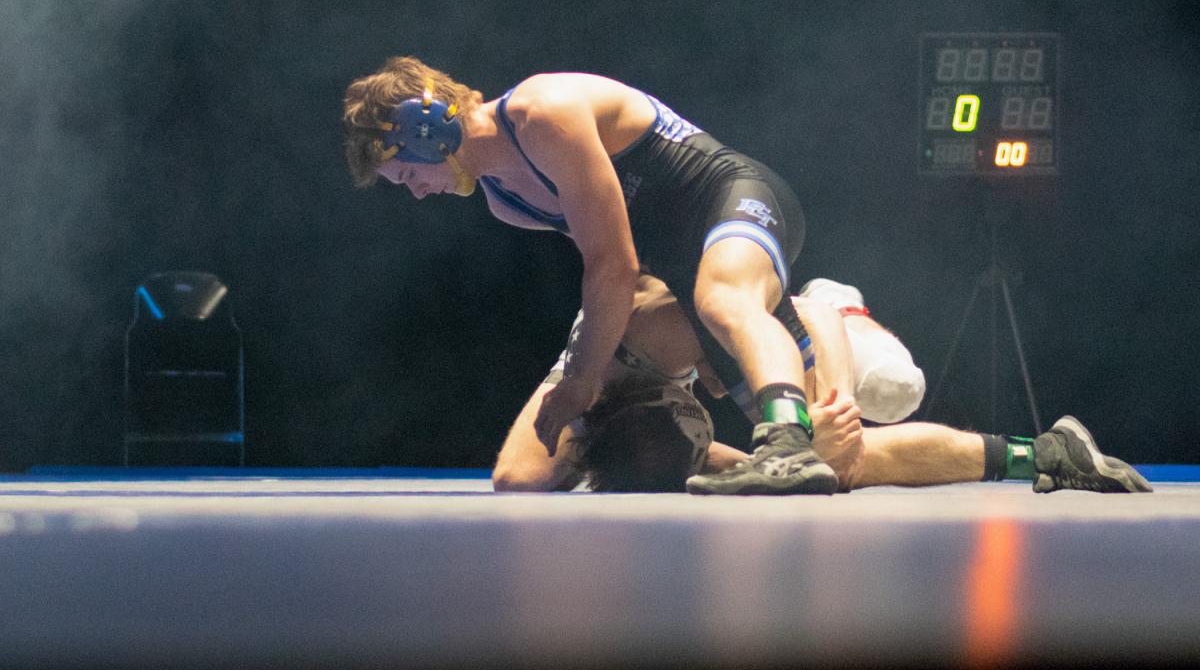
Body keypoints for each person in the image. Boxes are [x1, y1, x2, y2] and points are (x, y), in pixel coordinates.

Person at [344, 57, 841, 494]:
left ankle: (807, 369)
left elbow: (613, 267)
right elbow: (631, 269)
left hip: (731, 203)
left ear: (426, 130)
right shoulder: (507, 202)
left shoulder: (542, 111)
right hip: (680, 278)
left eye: (408, 175)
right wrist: (688, 343)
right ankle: (774, 439)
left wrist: (583, 380)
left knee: (726, 304)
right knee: (523, 477)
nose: (418, 193)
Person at [491, 277, 1153, 495]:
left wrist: (835, 405)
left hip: (793, 306)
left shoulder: (661, 326)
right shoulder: (615, 414)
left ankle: (845, 295)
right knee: (824, 472)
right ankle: (1044, 453)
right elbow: (516, 477)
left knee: (889, 392)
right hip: (622, 395)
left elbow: (811, 320)